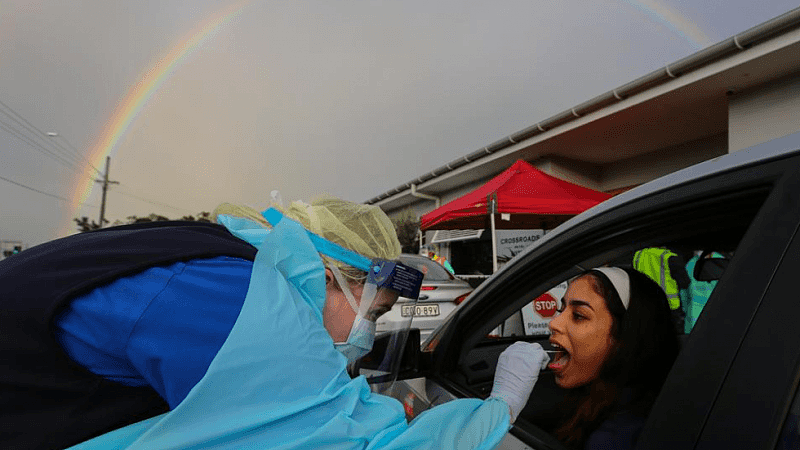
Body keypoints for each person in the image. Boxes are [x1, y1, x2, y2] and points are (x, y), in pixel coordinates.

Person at [1, 195, 543, 450]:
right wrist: (501, 405)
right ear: (338, 276)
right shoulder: (236, 299)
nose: (363, 336)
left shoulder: (213, 261)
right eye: (372, 314)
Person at [543, 267, 680, 449]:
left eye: (578, 315)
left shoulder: (616, 437)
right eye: (561, 310)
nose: (554, 323)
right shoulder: (598, 401)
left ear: (622, 337)